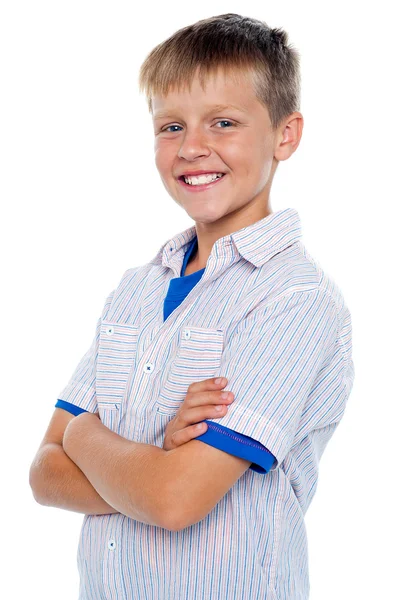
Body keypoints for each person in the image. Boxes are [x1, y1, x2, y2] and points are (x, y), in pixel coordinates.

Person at [29, 13, 355, 600]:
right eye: (171, 126)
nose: (193, 147)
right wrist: (152, 458)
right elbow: (43, 473)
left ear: (285, 134)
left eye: (224, 122)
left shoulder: (294, 300)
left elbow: (174, 500)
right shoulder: (135, 290)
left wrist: (83, 432)